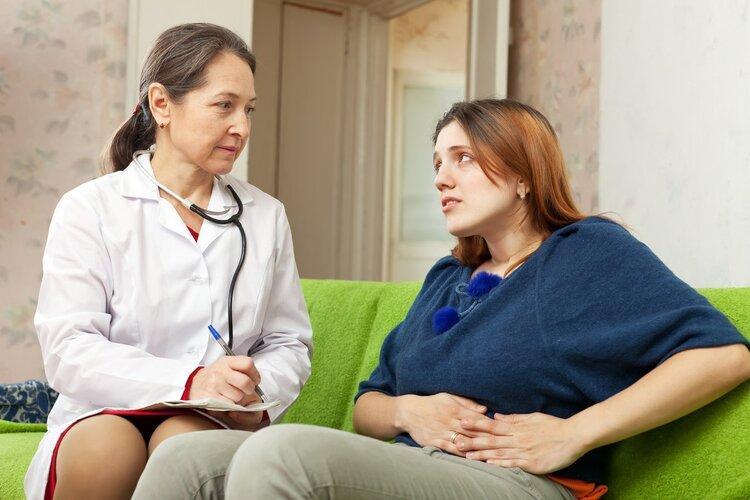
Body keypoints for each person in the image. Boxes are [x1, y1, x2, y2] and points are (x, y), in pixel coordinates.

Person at [132, 99, 750, 500]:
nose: (440, 178)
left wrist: (574, 434)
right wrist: (410, 413)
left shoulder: (585, 252)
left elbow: (725, 354)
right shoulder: (447, 278)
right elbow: (369, 404)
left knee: (283, 453)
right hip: (420, 464)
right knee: (184, 460)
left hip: (523, 482)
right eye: (437, 162)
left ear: (523, 172)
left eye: (463, 159)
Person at [24, 23, 312, 500]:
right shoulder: (90, 208)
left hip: (211, 415)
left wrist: (255, 393)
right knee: (107, 449)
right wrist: (190, 380)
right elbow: (68, 347)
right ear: (161, 104)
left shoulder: (265, 216)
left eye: (248, 109)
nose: (242, 128)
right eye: (224, 105)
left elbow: (289, 342)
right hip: (102, 409)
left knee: (186, 445)